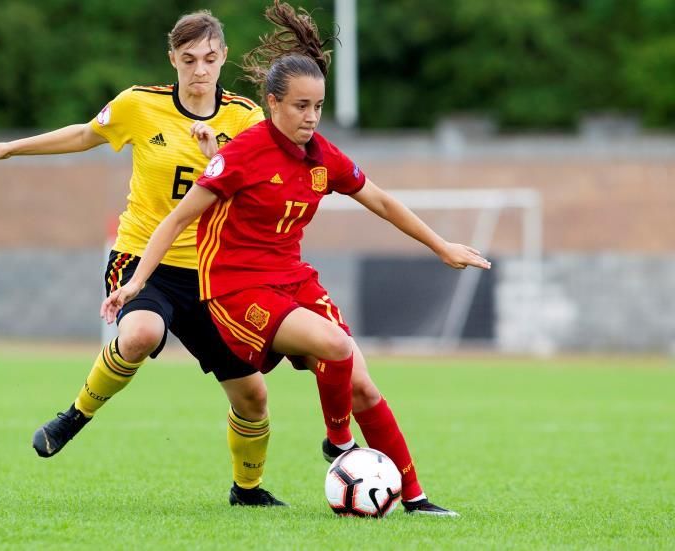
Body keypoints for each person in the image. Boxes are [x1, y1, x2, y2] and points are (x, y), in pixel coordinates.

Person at [101, 0, 491, 517]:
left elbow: (380, 199)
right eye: (300, 106)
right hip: (237, 290)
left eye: (318, 106)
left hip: (291, 280)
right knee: (336, 345)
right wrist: (134, 283)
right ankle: (339, 445)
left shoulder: (321, 155)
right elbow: (174, 221)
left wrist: (441, 245)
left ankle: (415, 500)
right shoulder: (241, 153)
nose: (310, 117)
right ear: (272, 104)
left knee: (364, 388)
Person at [0, 11, 287, 507]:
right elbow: (84, 134)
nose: (200, 69)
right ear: (173, 60)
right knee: (140, 333)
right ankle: (75, 416)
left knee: (253, 397)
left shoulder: (244, 119)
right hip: (141, 259)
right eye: (189, 59)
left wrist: (213, 153)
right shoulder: (140, 105)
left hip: (212, 273)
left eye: (210, 58)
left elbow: (257, 188)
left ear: (223, 58)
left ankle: (247, 491)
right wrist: (9, 149)